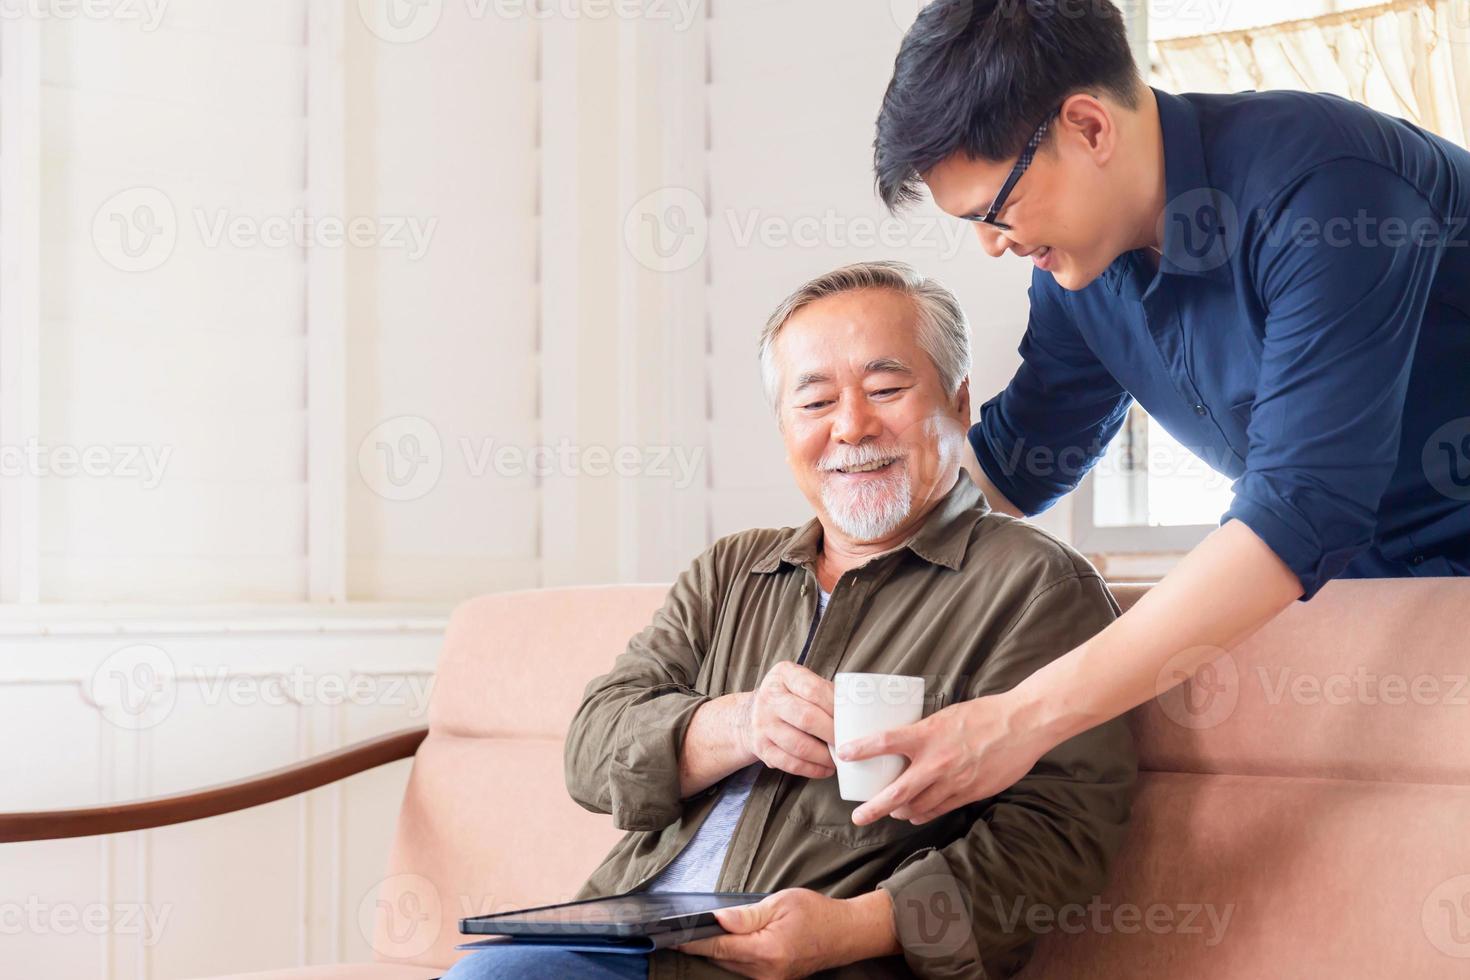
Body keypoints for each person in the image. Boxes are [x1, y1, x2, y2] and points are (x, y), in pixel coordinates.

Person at [836, 0, 1470, 830]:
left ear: (1090, 127)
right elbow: (1019, 458)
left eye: (995, 212)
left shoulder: (1327, 188)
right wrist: (834, 581)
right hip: (1369, 608)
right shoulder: (1081, 267)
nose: (992, 244)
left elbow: (1303, 506)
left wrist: (1016, 721)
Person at [440, 261, 1136, 980]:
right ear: (783, 430)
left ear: (960, 404)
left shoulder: (1035, 585)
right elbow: (590, 753)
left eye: (887, 389)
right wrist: (735, 724)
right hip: (624, 942)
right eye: (814, 402)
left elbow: (1061, 836)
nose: (852, 426)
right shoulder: (732, 572)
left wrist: (860, 926)